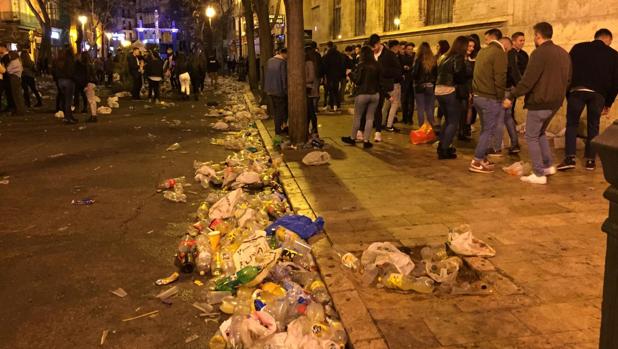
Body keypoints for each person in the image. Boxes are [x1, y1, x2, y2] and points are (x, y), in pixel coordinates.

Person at [503, 22, 571, 184]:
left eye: (534, 35)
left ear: (538, 36)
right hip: (555, 102)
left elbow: (528, 80)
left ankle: (539, 173)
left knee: (531, 136)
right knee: (539, 133)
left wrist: (512, 95)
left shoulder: (539, 53)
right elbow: (568, 79)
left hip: (540, 101)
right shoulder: (563, 53)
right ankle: (547, 166)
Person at [557, 29, 618, 171]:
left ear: (595, 37)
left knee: (572, 124)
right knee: (593, 125)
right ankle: (590, 160)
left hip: (577, 91)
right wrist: (608, 103)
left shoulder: (578, 48)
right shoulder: (614, 55)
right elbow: (616, 82)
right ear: (608, 39)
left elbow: (567, 70)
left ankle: (570, 158)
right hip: (598, 95)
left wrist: (567, 93)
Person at [469, 28, 507, 173]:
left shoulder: (482, 52)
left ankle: (482, 157)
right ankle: (477, 161)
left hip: (478, 96)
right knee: (488, 131)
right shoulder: (499, 53)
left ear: (492, 37)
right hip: (490, 98)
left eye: (486, 38)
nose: (485, 41)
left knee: (485, 129)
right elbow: (500, 77)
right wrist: (501, 97)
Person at [435, 36, 468, 159]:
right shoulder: (458, 57)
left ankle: (442, 145)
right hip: (450, 90)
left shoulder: (445, 57)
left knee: (448, 120)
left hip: (439, 90)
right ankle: (444, 149)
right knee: (453, 122)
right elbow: (459, 74)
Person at [341, 45, 380, 149]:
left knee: (357, 117)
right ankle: (366, 140)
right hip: (375, 94)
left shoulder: (361, 65)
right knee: (370, 118)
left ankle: (353, 138)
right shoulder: (376, 65)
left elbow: (358, 81)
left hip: (362, 94)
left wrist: (349, 74)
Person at [369, 33, 402, 142]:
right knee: (374, 109)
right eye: (372, 47)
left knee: (379, 108)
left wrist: (383, 72)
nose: (373, 49)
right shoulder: (371, 53)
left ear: (378, 43)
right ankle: (369, 130)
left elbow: (398, 70)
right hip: (372, 85)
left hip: (384, 85)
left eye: (374, 46)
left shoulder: (388, 54)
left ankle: (378, 132)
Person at [490, 37, 520, 154]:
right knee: (507, 116)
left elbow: (509, 73)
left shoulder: (506, 54)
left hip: (505, 89)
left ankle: (496, 147)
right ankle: (514, 143)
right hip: (510, 89)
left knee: (500, 117)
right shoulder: (510, 54)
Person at [412, 42, 437, 128]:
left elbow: (414, 74)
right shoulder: (433, 60)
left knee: (420, 108)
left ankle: (422, 128)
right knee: (429, 107)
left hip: (420, 86)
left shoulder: (418, 59)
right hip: (430, 86)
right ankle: (431, 125)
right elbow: (436, 74)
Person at [264, 48, 288, 135]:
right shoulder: (282, 63)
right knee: (280, 111)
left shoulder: (270, 61)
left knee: (276, 110)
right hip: (279, 90)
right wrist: (285, 90)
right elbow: (283, 78)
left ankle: (279, 127)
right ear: (284, 54)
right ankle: (278, 130)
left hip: (270, 89)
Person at [457, 37, 476, 141]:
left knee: (468, 109)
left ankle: (465, 129)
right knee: (463, 109)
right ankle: (461, 131)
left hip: (469, 87)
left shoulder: (469, 59)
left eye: (473, 46)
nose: (472, 48)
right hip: (462, 88)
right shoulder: (460, 59)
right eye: (469, 46)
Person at [384, 40, 404, 132]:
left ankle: (381, 123)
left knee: (386, 104)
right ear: (394, 47)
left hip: (387, 83)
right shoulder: (392, 56)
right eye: (398, 46)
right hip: (394, 83)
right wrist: (400, 76)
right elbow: (396, 70)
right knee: (394, 104)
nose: (399, 48)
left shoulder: (385, 55)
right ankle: (389, 125)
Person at [53, 47, 77, 124]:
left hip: (60, 81)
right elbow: (71, 71)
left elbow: (54, 71)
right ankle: (68, 117)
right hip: (68, 80)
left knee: (64, 99)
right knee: (68, 101)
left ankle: (68, 116)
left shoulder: (57, 61)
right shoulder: (69, 61)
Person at [321, 41, 346, 112]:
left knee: (330, 90)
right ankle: (336, 105)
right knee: (336, 90)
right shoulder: (339, 54)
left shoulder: (327, 55)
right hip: (337, 75)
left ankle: (331, 105)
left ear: (328, 46)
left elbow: (325, 66)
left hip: (329, 75)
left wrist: (324, 75)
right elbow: (342, 65)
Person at [510, 32, 529, 122]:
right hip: (513, 85)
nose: (522, 42)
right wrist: (519, 84)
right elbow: (514, 70)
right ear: (513, 42)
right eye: (520, 40)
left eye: (523, 40)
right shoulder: (510, 54)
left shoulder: (524, 54)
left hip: (522, 84)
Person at [79, 52, 98, 123]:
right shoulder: (90, 65)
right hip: (92, 82)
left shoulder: (86, 66)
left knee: (91, 100)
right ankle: (94, 115)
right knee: (92, 100)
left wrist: (85, 85)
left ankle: (94, 116)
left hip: (89, 83)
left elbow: (86, 76)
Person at [400, 42, 416, 125]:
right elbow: (400, 67)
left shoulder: (415, 57)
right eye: (409, 49)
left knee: (411, 101)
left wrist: (409, 68)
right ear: (405, 49)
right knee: (404, 100)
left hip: (412, 81)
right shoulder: (402, 57)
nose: (410, 51)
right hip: (405, 81)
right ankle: (404, 118)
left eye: (411, 49)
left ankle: (410, 118)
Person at [305, 47, 320, 136]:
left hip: (309, 89)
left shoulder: (309, 63)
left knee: (310, 111)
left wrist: (302, 80)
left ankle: (314, 129)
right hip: (307, 88)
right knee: (309, 111)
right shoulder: (308, 63)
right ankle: (312, 129)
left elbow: (311, 77)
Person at [6, 51, 26, 115]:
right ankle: (21, 109)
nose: (9, 56)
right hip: (17, 78)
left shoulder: (13, 62)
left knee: (16, 95)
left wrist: (9, 70)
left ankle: (19, 110)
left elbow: (8, 70)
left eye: (9, 55)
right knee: (18, 95)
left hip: (14, 78)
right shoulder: (18, 61)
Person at [0, 45, 14, 112]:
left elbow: (5, 69)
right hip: (6, 77)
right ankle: (10, 106)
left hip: (6, 77)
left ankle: (10, 106)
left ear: (4, 48)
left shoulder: (6, 57)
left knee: (9, 92)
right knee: (8, 92)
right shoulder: (5, 57)